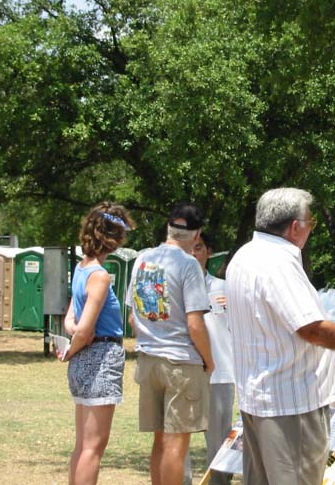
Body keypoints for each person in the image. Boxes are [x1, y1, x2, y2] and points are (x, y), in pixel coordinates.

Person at [226, 187, 335, 485]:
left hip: (261, 397)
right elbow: (313, 329)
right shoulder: (278, 263)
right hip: (291, 403)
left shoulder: (244, 256)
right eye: (312, 223)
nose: (311, 230)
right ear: (296, 227)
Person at [126, 203, 214, 485]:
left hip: (148, 359)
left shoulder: (142, 259)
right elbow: (195, 324)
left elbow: (132, 316)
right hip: (180, 362)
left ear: (168, 227)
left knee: (160, 441)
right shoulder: (189, 265)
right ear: (197, 234)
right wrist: (209, 361)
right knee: (177, 445)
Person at [62, 202, 135, 485]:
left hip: (82, 362)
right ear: (113, 237)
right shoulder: (100, 276)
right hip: (101, 359)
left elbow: (72, 321)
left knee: (82, 445)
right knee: (94, 448)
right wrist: (73, 347)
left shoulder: (81, 269)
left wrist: (72, 346)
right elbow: (86, 330)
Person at [188, 232, 235, 485]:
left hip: (220, 373)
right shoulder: (174, 288)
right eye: (189, 248)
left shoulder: (224, 288)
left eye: (199, 248)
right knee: (178, 437)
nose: (193, 253)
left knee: (219, 442)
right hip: (184, 371)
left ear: (209, 251)